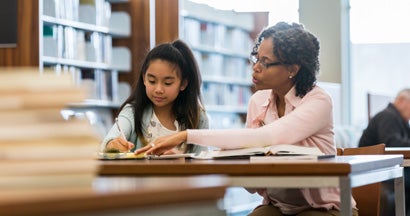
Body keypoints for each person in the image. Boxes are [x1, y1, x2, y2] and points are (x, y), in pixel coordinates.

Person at [135, 22, 358, 216]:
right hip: (280, 207)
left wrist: (186, 135)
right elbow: (252, 179)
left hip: (326, 208)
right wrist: (190, 159)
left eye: (266, 62)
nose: (256, 67)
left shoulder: (318, 100)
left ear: (292, 68)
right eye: (256, 58)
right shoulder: (258, 101)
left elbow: (264, 137)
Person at [100, 39, 208, 154]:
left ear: (183, 84)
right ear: (144, 78)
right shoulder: (133, 112)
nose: (158, 90)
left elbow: (203, 162)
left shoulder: (197, 117)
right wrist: (112, 144)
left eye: (167, 83)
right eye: (152, 81)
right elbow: (109, 140)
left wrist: (180, 162)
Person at [359, 88, 410, 216]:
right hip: (374, 171)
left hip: (386, 169)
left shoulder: (400, 120)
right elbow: (392, 144)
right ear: (402, 100)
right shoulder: (388, 116)